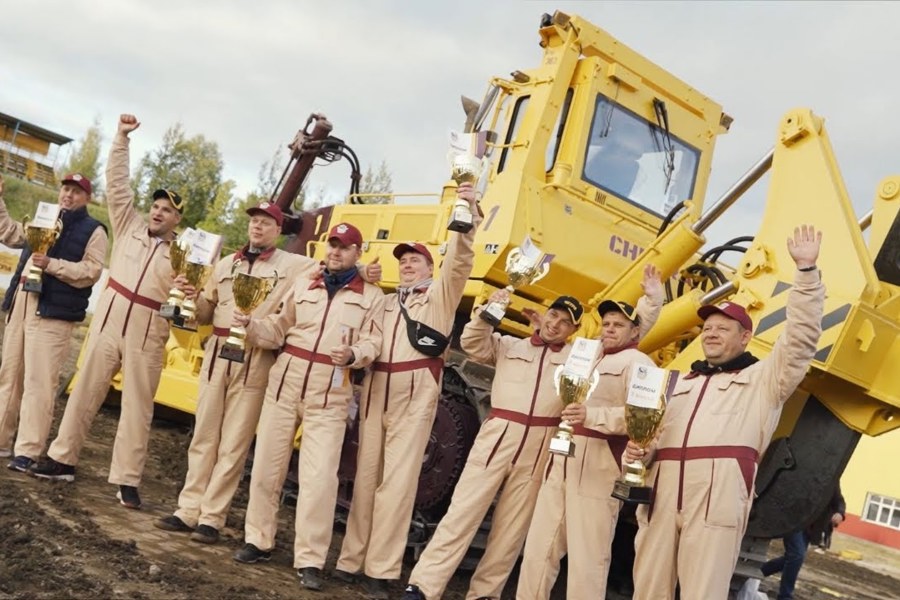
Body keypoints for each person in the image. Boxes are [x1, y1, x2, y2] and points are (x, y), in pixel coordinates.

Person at [626, 225, 826, 600]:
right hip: (662, 496)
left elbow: (800, 339)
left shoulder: (764, 379)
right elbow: (654, 437)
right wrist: (641, 453)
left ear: (745, 337)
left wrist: (806, 274)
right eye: (706, 328)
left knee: (703, 593)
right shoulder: (680, 382)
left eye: (723, 328)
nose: (711, 334)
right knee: (648, 591)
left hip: (716, 501)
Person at [30, 114, 184, 512]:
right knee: (85, 389)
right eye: (155, 206)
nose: (157, 213)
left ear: (177, 219)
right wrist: (121, 139)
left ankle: (127, 480)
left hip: (149, 330)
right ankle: (62, 458)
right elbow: (117, 183)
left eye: (167, 210)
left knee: (138, 406)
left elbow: (195, 297)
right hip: (111, 318)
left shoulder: (184, 253)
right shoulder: (128, 223)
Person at [335, 182, 481, 599]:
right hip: (378, 387)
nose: (407, 266)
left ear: (430, 267)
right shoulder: (385, 302)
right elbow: (372, 343)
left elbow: (460, 262)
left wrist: (466, 214)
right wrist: (352, 356)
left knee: (397, 485)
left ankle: (380, 569)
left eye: (415, 260)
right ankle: (351, 558)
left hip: (416, 394)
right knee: (365, 478)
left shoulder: (440, 296)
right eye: (404, 261)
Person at [405, 294, 594, 600]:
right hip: (497, 439)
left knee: (511, 531)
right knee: (461, 514)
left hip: (539, 447)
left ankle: (485, 594)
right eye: (553, 315)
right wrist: (490, 311)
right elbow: (473, 341)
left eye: (565, 322)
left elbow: (613, 349)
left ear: (573, 330)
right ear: (544, 315)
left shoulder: (577, 358)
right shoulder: (509, 345)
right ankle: (423, 587)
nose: (555, 324)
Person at [232, 222, 385, 594]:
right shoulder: (304, 283)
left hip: (329, 397)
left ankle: (310, 560)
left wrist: (354, 354)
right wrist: (251, 327)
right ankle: (258, 540)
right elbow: (278, 328)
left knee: (319, 481)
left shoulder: (373, 296)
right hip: (284, 385)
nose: (335, 252)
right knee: (267, 467)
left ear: (357, 253)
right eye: (332, 245)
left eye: (344, 247)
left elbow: (375, 342)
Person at [152, 202, 317, 543]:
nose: (257, 227)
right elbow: (205, 313)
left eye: (265, 222)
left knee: (234, 442)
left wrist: (362, 273)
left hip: (255, 357)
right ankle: (188, 509)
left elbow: (330, 265)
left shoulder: (295, 266)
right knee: (204, 435)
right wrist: (190, 296)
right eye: (254, 221)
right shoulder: (226, 264)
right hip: (218, 351)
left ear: (278, 228)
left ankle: (212, 517)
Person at [516, 266, 663, 600]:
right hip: (563, 458)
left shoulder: (639, 362)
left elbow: (644, 416)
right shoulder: (586, 353)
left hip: (599, 466)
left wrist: (592, 414)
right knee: (539, 547)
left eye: (619, 325)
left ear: (634, 331)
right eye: (607, 324)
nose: (610, 330)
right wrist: (542, 327)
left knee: (589, 558)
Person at [0, 173, 107, 471]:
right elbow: (11, 234)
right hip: (22, 298)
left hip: (53, 311)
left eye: (75, 191)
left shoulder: (94, 230)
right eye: (65, 189)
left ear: (87, 197)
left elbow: (92, 270)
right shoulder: (43, 215)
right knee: (9, 375)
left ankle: (28, 450)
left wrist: (54, 265)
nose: (68, 195)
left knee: (39, 382)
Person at [760, 485, 845, 600]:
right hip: (792, 521)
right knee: (797, 555)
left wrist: (840, 513)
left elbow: (839, 500)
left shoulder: (830, 475)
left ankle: (759, 572)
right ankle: (785, 596)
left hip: (810, 527)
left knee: (792, 559)